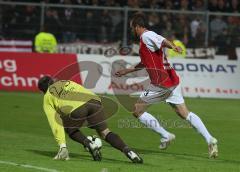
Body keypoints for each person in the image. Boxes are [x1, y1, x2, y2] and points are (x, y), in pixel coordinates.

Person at [115, 13, 218, 158]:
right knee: (184, 113)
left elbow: (162, 40)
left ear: (137, 27)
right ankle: (210, 139)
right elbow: (145, 62)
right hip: (172, 81)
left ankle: (165, 135)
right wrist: (128, 70)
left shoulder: (146, 36)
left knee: (137, 110)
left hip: (160, 84)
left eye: (132, 27)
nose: (132, 30)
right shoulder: (145, 41)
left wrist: (173, 46)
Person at [37, 76, 143, 163]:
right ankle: (129, 152)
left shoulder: (47, 97)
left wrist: (62, 145)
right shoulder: (66, 81)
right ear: (53, 81)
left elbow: (54, 123)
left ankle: (89, 144)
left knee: (71, 130)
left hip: (76, 108)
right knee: (105, 132)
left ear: (42, 91)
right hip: (94, 101)